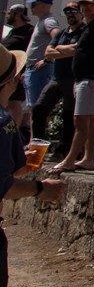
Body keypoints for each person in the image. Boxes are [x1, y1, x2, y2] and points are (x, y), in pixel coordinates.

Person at [0, 42, 66, 283]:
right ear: (12, 81)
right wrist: (41, 189)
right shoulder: (4, 123)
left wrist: (17, 165)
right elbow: (3, 186)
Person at [48, 0, 94, 174]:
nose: (86, 8)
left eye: (90, 4)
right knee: (89, 119)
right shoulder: (90, 26)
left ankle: (69, 160)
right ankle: (88, 159)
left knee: (80, 119)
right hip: (86, 79)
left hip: (91, 79)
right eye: (83, 5)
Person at [32, 2, 83, 156]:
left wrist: (58, 50)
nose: (70, 15)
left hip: (73, 78)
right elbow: (48, 53)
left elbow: (77, 49)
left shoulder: (84, 31)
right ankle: (37, 147)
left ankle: (63, 150)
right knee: (39, 108)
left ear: (80, 13)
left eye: (74, 11)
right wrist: (65, 50)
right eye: (67, 12)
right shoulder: (62, 33)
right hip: (57, 78)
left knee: (68, 116)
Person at [23, 0, 60, 127]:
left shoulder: (48, 21)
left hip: (40, 69)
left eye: (34, 4)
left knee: (36, 108)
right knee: (32, 108)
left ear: (44, 5)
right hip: (33, 69)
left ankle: (36, 142)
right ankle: (33, 141)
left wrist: (47, 59)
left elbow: (57, 37)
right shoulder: (41, 21)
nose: (31, 7)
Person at [1, 5, 32, 135]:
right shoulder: (13, 31)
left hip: (17, 74)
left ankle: (12, 134)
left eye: (9, 13)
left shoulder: (29, 31)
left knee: (14, 103)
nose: (7, 15)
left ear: (17, 15)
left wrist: (23, 71)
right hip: (6, 72)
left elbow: (32, 52)